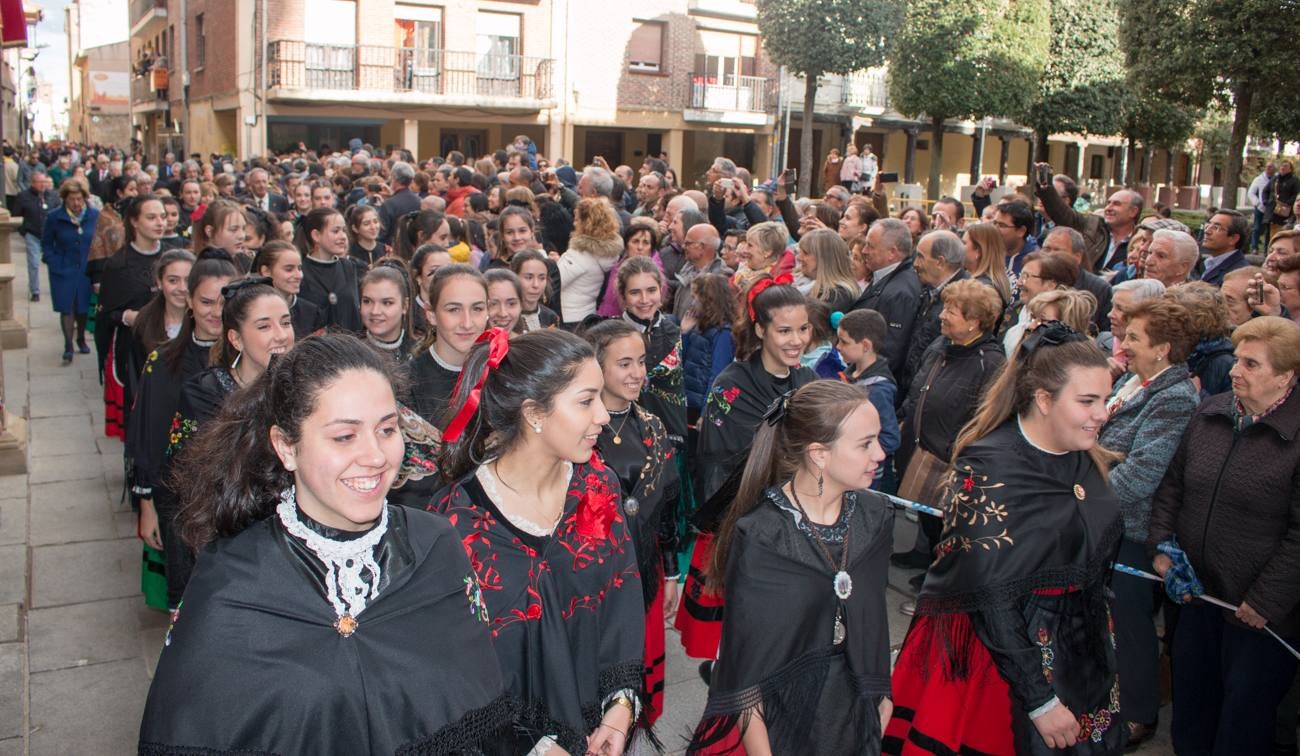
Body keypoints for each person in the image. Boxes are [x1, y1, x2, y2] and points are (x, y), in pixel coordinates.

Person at [140, 333, 516, 754]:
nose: (375, 455)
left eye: (387, 429)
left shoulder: (437, 546)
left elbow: (477, 711)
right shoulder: (232, 580)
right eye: (344, 437)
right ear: (286, 447)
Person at [885, 322, 1123, 755]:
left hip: (1074, 646)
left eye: (1105, 399)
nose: (1102, 413)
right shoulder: (990, 465)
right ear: (1044, 399)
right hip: (997, 653)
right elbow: (988, 590)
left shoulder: (1085, 458)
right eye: (1088, 401)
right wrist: (1039, 698)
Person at [432, 329, 647, 755]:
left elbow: (622, 602)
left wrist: (620, 706)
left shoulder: (598, 488)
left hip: (596, 726)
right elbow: (452, 667)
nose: (604, 416)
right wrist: (536, 745)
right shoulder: (455, 523)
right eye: (586, 401)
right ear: (534, 413)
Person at [690, 381, 894, 753]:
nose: (880, 453)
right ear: (819, 454)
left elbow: (873, 617)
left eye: (878, 439)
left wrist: (881, 699)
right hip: (784, 717)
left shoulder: (875, 516)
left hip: (852, 713)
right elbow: (744, 668)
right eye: (866, 444)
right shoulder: (764, 536)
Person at [1149, 316, 1300, 754]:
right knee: (1193, 711)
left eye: (1252, 364)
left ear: (1285, 376)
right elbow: (1172, 484)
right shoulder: (1211, 411)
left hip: (1259, 615)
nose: (1235, 370)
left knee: (1244, 722)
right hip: (1198, 596)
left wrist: (1266, 600)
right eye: (1237, 359)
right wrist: (1162, 547)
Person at [678, 278, 817, 665]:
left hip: (801, 530)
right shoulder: (731, 387)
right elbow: (720, 467)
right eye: (784, 330)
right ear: (760, 330)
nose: (796, 340)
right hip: (745, 531)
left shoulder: (808, 381)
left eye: (803, 329)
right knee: (740, 648)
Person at [1096, 298, 1200, 747]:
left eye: (1134, 338)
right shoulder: (1138, 383)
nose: (1123, 343)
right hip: (1106, 520)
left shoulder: (1174, 397)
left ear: (1163, 348)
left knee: (1130, 623)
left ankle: (1138, 712)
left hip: (1131, 529)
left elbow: (1141, 473)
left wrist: (1085, 500)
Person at [155, 279, 295, 609]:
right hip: (224, 546)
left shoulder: (303, 388)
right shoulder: (204, 395)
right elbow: (185, 485)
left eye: (286, 322)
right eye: (264, 326)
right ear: (235, 337)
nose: (281, 335)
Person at [583, 319, 681, 725]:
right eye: (624, 363)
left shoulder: (654, 426)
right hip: (592, 575)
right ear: (597, 366)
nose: (638, 373)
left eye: (641, 361)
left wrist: (672, 573)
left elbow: (669, 503)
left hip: (645, 568)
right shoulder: (580, 428)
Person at [127, 249, 234, 608]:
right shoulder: (165, 361)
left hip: (237, 507)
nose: (216, 311)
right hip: (183, 506)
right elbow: (150, 439)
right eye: (206, 301)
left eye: (225, 301)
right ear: (189, 301)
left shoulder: (250, 360)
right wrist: (147, 504)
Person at [891, 280, 1007, 585]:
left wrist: (960, 450)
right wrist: (905, 417)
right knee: (927, 516)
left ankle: (938, 571)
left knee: (943, 521)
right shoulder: (943, 346)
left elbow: (986, 418)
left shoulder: (990, 363)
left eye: (952, 311)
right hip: (919, 446)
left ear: (974, 322)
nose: (942, 315)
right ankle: (924, 555)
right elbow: (919, 384)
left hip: (948, 457)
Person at [96, 196, 167, 439]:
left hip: (171, 344)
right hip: (133, 350)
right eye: (151, 217)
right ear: (135, 222)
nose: (160, 222)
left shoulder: (173, 256)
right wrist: (128, 316)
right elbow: (106, 313)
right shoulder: (119, 264)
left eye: (163, 216)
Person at [617, 256, 688, 445]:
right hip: (625, 434)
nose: (644, 300)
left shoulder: (674, 332)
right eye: (634, 292)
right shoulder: (611, 335)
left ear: (661, 291)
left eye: (651, 290)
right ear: (623, 296)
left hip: (671, 434)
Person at [406, 264, 487, 427]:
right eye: (453, 309)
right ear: (431, 314)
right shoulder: (408, 383)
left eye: (477, 308)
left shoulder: (503, 372)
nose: (467, 323)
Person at [836, 309, 901, 491]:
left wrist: (861, 452)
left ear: (865, 345)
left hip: (868, 477)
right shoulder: (851, 375)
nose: (838, 346)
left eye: (844, 342)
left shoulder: (878, 390)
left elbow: (890, 437)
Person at [1034, 162, 1142, 272]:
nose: (1109, 208)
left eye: (1116, 204)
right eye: (1108, 203)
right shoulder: (1092, 225)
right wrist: (1046, 188)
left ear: (1133, 211)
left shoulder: (1142, 241)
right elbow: (1063, 214)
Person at [849, 218, 921, 382]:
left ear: (892, 253)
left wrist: (859, 378)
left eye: (870, 246)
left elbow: (891, 352)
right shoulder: (886, 277)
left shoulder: (900, 292)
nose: (864, 251)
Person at [905, 230, 972, 392]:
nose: (915, 263)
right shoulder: (929, 289)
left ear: (940, 262)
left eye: (920, 256)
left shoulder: (966, 297)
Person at [41, 179, 97, 364]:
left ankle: (80, 338)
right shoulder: (54, 217)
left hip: (85, 270)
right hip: (63, 269)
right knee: (67, 308)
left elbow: (98, 242)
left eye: (79, 199)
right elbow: (47, 243)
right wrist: (54, 262)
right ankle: (68, 346)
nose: (76, 203)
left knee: (82, 308)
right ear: (65, 199)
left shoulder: (94, 215)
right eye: (72, 199)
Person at [297, 207, 366, 332]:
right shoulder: (301, 273)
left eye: (344, 230)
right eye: (335, 231)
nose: (343, 236)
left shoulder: (348, 267)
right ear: (316, 235)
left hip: (353, 345)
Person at [1165, 281, 1236, 401]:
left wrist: (1198, 394)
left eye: (1172, 318)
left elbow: (1228, 412)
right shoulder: (1174, 350)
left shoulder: (1225, 363)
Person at [557, 198, 623, 326]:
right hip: (586, 315)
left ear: (587, 222)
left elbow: (555, 281)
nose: (574, 223)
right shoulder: (607, 253)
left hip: (567, 316)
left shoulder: (579, 254)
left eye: (577, 219)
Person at [681, 273, 737, 420]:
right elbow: (681, 360)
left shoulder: (723, 334)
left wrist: (707, 411)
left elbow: (718, 375)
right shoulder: (699, 325)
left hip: (701, 407)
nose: (692, 303)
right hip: (688, 401)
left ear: (708, 300)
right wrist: (684, 333)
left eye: (695, 298)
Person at [253, 240, 326, 338]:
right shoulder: (251, 310)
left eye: (299, 268)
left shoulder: (312, 312)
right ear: (266, 271)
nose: (298, 275)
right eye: (289, 269)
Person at [796, 228, 861, 314]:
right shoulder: (806, 283)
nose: (799, 258)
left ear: (825, 259)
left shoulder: (839, 295)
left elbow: (813, 324)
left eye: (805, 253)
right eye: (800, 252)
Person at [15, 170, 57, 302]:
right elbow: (16, 214)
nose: (43, 185)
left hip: (50, 236)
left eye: (45, 182)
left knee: (52, 263)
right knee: (33, 263)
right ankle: (35, 291)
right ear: (33, 183)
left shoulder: (52, 195)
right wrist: (24, 230)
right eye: (40, 182)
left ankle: (55, 288)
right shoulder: (23, 196)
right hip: (32, 234)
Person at [360, 264, 415, 363]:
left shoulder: (419, 353)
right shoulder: (350, 356)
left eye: (387, 303)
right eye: (367, 301)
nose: (375, 311)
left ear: (405, 306)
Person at [510, 249, 560, 332]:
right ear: (514, 277)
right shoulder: (506, 318)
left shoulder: (550, 317)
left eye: (542, 278)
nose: (536, 285)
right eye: (529, 277)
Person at [1199, 209, 1249, 287]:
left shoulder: (1238, 274)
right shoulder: (1207, 264)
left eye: (1216, 227)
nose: (1207, 231)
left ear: (1233, 239)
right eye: (1208, 225)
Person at [484, 268, 525, 334]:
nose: (503, 314)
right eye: (493, 304)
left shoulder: (528, 343)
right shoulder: (468, 343)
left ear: (521, 305)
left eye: (511, 304)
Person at [346, 204, 387, 268]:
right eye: (366, 224)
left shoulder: (386, 250)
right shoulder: (349, 253)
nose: (373, 227)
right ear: (355, 228)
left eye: (375, 221)